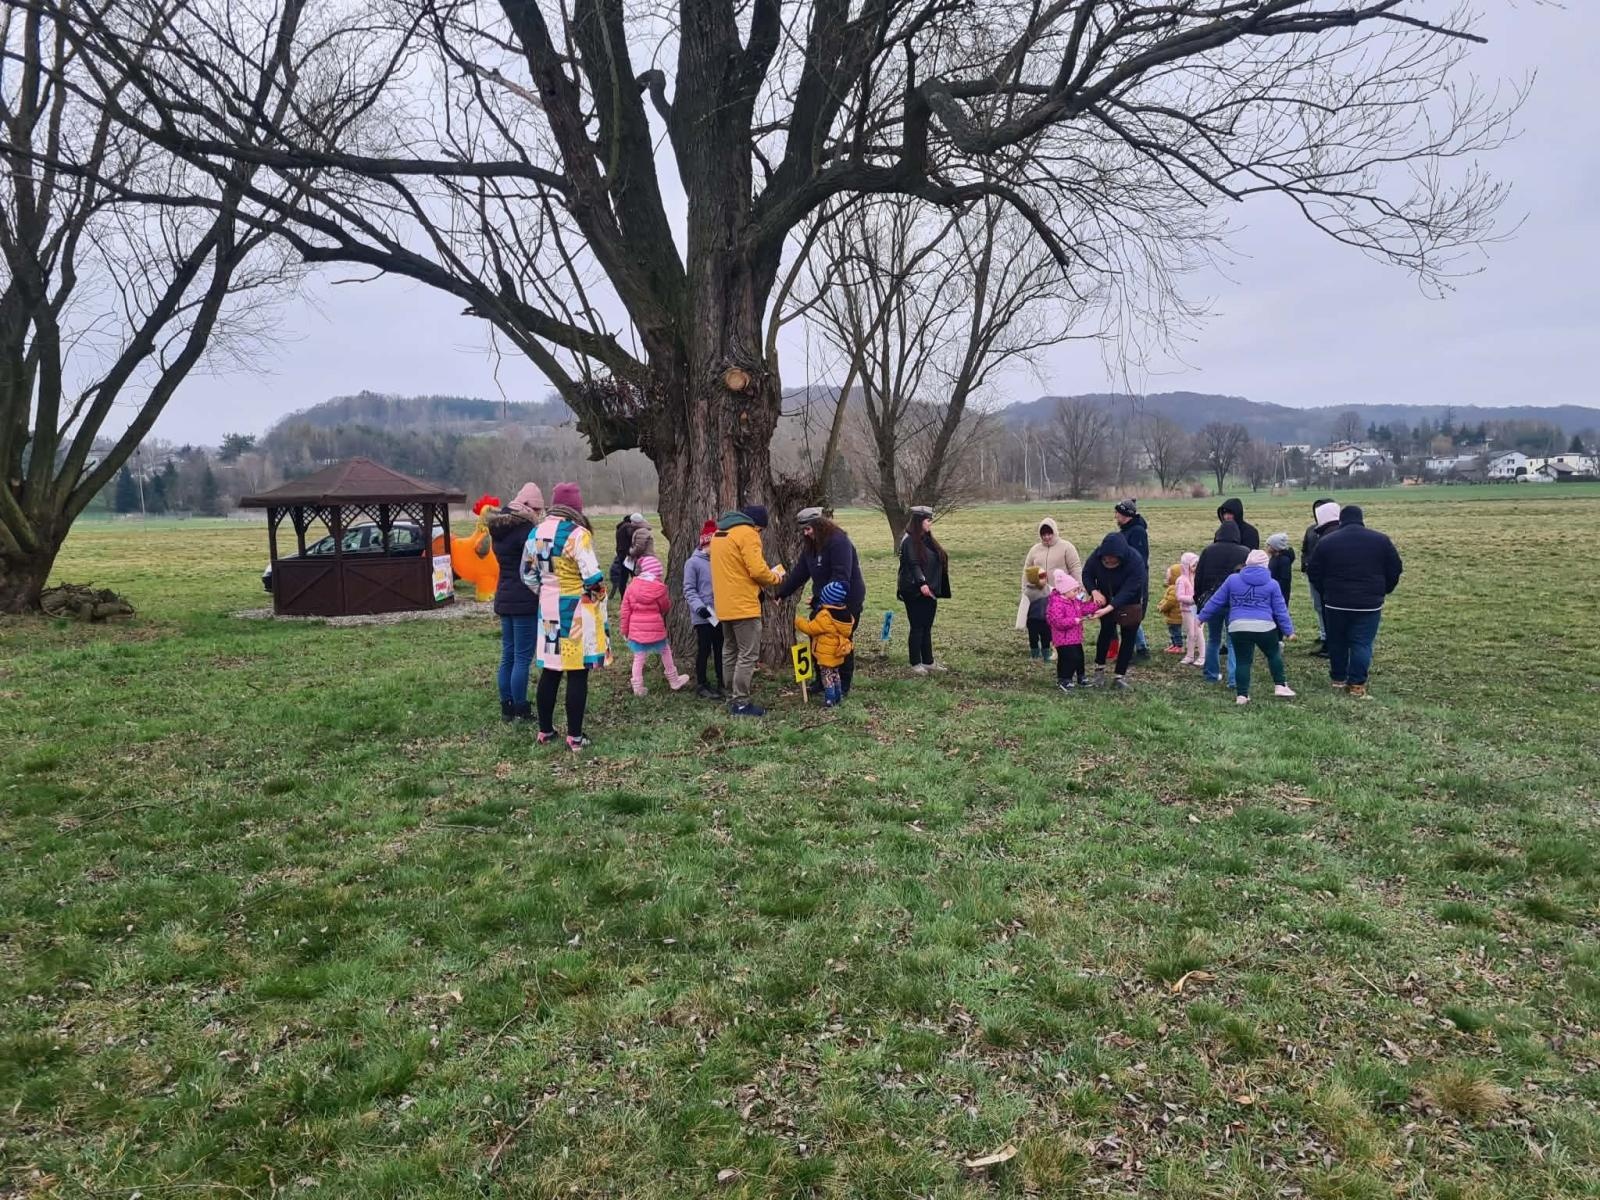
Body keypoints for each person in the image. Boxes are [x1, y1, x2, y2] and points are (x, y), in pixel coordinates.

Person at [522, 482, 609, 750]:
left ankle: (545, 731)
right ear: (576, 508)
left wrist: (546, 592)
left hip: (548, 611)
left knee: (550, 670)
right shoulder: (578, 534)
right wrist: (597, 600)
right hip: (575, 614)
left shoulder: (535, 533)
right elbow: (593, 578)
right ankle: (575, 736)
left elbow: (527, 574)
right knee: (576, 673)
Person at [1305, 504, 1403, 699]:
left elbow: (1313, 570)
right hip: (1369, 603)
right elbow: (1395, 567)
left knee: (1337, 641)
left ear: (1341, 519)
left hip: (1335, 602)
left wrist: (1326, 591)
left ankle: (1338, 678)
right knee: (1362, 643)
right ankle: (1357, 683)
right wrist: (1384, 589)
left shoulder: (1327, 541)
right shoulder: (1380, 540)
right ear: (1361, 519)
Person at [776, 507, 866, 697]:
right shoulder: (811, 547)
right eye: (803, 530)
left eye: (808, 529)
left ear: (820, 525)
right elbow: (801, 572)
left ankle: (843, 684)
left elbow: (841, 576)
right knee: (817, 638)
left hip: (846, 600)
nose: (806, 533)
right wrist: (782, 593)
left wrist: (821, 599)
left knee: (841, 642)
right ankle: (821, 681)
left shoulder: (839, 542)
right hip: (823, 601)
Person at [710, 503, 784, 717]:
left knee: (729, 649)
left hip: (724, 605)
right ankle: (741, 702)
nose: (759, 533)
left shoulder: (719, 534)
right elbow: (757, 570)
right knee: (748, 654)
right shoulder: (748, 534)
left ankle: (729, 693)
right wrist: (775, 578)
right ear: (757, 525)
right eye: (760, 530)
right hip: (744, 606)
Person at [1198, 548, 1296, 705]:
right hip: (1265, 626)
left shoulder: (1233, 579)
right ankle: (1280, 685)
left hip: (1238, 625)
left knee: (1243, 661)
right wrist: (1288, 630)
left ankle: (1242, 695)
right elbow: (1280, 610)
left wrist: (1201, 617)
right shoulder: (1272, 584)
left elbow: (1216, 600)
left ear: (1247, 563)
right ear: (1266, 564)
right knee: (1273, 654)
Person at [488, 482, 544, 723]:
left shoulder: (498, 528)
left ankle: (506, 706)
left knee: (508, 654)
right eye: (539, 510)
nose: (540, 515)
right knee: (523, 657)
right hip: (524, 600)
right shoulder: (527, 532)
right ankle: (521, 707)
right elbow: (535, 566)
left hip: (504, 596)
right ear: (528, 506)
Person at [1082, 531, 1146, 689]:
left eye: (1112, 559)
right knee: (1106, 632)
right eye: (1106, 558)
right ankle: (1099, 670)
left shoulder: (1135, 561)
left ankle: (1120, 676)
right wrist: (1094, 591)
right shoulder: (1097, 556)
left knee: (1128, 636)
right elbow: (1087, 573)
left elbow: (1129, 590)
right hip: (1105, 596)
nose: (1108, 561)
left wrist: (1109, 608)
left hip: (1130, 602)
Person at [620, 555, 691, 696]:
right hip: (656, 627)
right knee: (665, 651)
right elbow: (665, 606)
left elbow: (625, 610)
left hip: (637, 630)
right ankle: (674, 680)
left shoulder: (631, 587)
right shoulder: (659, 588)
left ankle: (638, 687)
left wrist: (625, 630)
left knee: (639, 657)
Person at [1017, 517, 1081, 662]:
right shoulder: (1034, 550)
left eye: (1049, 533)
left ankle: (1059, 648)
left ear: (1055, 532)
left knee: (1059, 622)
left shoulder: (1067, 547)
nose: (1047, 537)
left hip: (1060, 594)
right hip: (1040, 596)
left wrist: (1078, 588)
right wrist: (1024, 590)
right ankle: (1045, 650)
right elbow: (1027, 570)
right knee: (1044, 624)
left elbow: (1075, 568)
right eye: (1043, 534)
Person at [1194, 522, 1250, 687]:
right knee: (1234, 640)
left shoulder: (1209, 550)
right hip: (1236, 601)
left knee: (1213, 638)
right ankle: (1234, 679)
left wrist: (1198, 598)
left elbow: (1199, 576)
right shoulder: (1244, 552)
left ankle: (1211, 674)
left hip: (1213, 600)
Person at [897, 505, 950, 674]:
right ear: (919, 521)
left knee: (927, 626)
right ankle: (915, 662)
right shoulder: (909, 541)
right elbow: (913, 564)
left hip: (931, 590)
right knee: (917, 626)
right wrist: (922, 583)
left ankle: (928, 661)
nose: (930, 524)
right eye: (928, 520)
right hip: (915, 591)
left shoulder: (926, 539)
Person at [795, 580, 855, 708]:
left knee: (826, 676)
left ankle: (829, 699)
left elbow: (810, 628)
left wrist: (798, 621)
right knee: (835, 674)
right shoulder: (845, 614)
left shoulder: (825, 616)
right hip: (838, 653)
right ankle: (838, 695)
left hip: (826, 655)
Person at [682, 519, 724, 700]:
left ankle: (723, 682)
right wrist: (700, 608)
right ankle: (702, 683)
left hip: (720, 614)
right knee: (704, 649)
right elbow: (689, 589)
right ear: (706, 543)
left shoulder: (721, 560)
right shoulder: (693, 563)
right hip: (703, 616)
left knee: (721, 649)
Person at [1045, 570, 1100, 691]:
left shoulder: (1074, 601)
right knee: (1068, 658)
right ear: (1065, 591)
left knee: (1079, 657)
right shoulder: (1056, 604)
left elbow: (1084, 608)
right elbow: (1057, 622)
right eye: (1074, 590)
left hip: (1075, 637)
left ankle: (1081, 676)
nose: (1077, 592)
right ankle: (1065, 679)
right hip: (1063, 639)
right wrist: (1073, 621)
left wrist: (1096, 604)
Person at [1301, 499, 1341, 654]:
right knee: (1319, 607)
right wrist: (1305, 564)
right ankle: (1324, 634)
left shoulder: (1337, 531)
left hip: (1328, 578)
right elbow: (1305, 549)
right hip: (1314, 575)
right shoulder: (1311, 530)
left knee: (1329, 608)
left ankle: (1331, 640)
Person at [1113, 499, 1152, 656]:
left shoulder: (1137, 532)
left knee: (1132, 611)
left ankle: (1134, 649)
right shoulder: (1126, 531)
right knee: (1128, 611)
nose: (1115, 516)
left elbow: (1139, 558)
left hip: (1135, 578)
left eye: (1117, 513)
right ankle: (1141, 646)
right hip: (1126, 577)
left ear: (1126, 515)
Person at [1176, 551, 1204, 667]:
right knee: (1191, 633)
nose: (1196, 568)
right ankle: (1190, 655)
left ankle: (1202, 656)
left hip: (1199, 609)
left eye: (1197, 564)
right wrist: (1192, 599)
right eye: (1193, 565)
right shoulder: (1182, 580)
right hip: (1188, 610)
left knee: (1199, 632)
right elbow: (1179, 596)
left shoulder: (1198, 578)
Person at [609, 512, 646, 600]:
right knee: (635, 575)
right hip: (628, 555)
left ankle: (623, 597)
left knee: (623, 577)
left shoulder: (620, 527)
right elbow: (631, 535)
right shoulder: (627, 527)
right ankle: (638, 594)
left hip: (620, 554)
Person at [1155, 564, 1185, 653]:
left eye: (1168, 575)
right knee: (1172, 631)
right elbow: (1165, 599)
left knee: (1176, 631)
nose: (1166, 577)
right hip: (1172, 616)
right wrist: (1161, 604)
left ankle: (1179, 646)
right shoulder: (1171, 587)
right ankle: (1174, 644)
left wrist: (1162, 607)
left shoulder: (1175, 589)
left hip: (1176, 617)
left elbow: (1170, 602)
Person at [1266, 532, 1295, 608]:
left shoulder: (1284, 560)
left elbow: (1285, 579)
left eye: (1269, 545)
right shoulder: (1274, 558)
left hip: (1280, 593)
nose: (1267, 547)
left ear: (1275, 547)